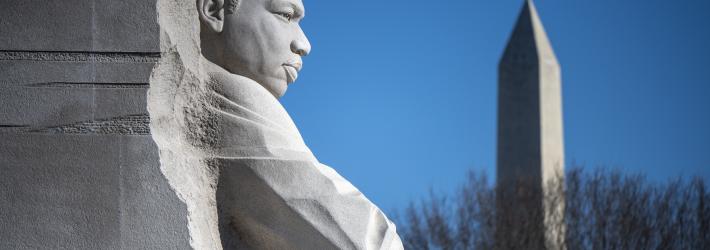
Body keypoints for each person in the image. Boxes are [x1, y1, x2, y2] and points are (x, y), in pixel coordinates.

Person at [196, 0, 404, 248]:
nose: (303, 45)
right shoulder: (232, 92)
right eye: (285, 15)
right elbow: (362, 241)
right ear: (215, 10)